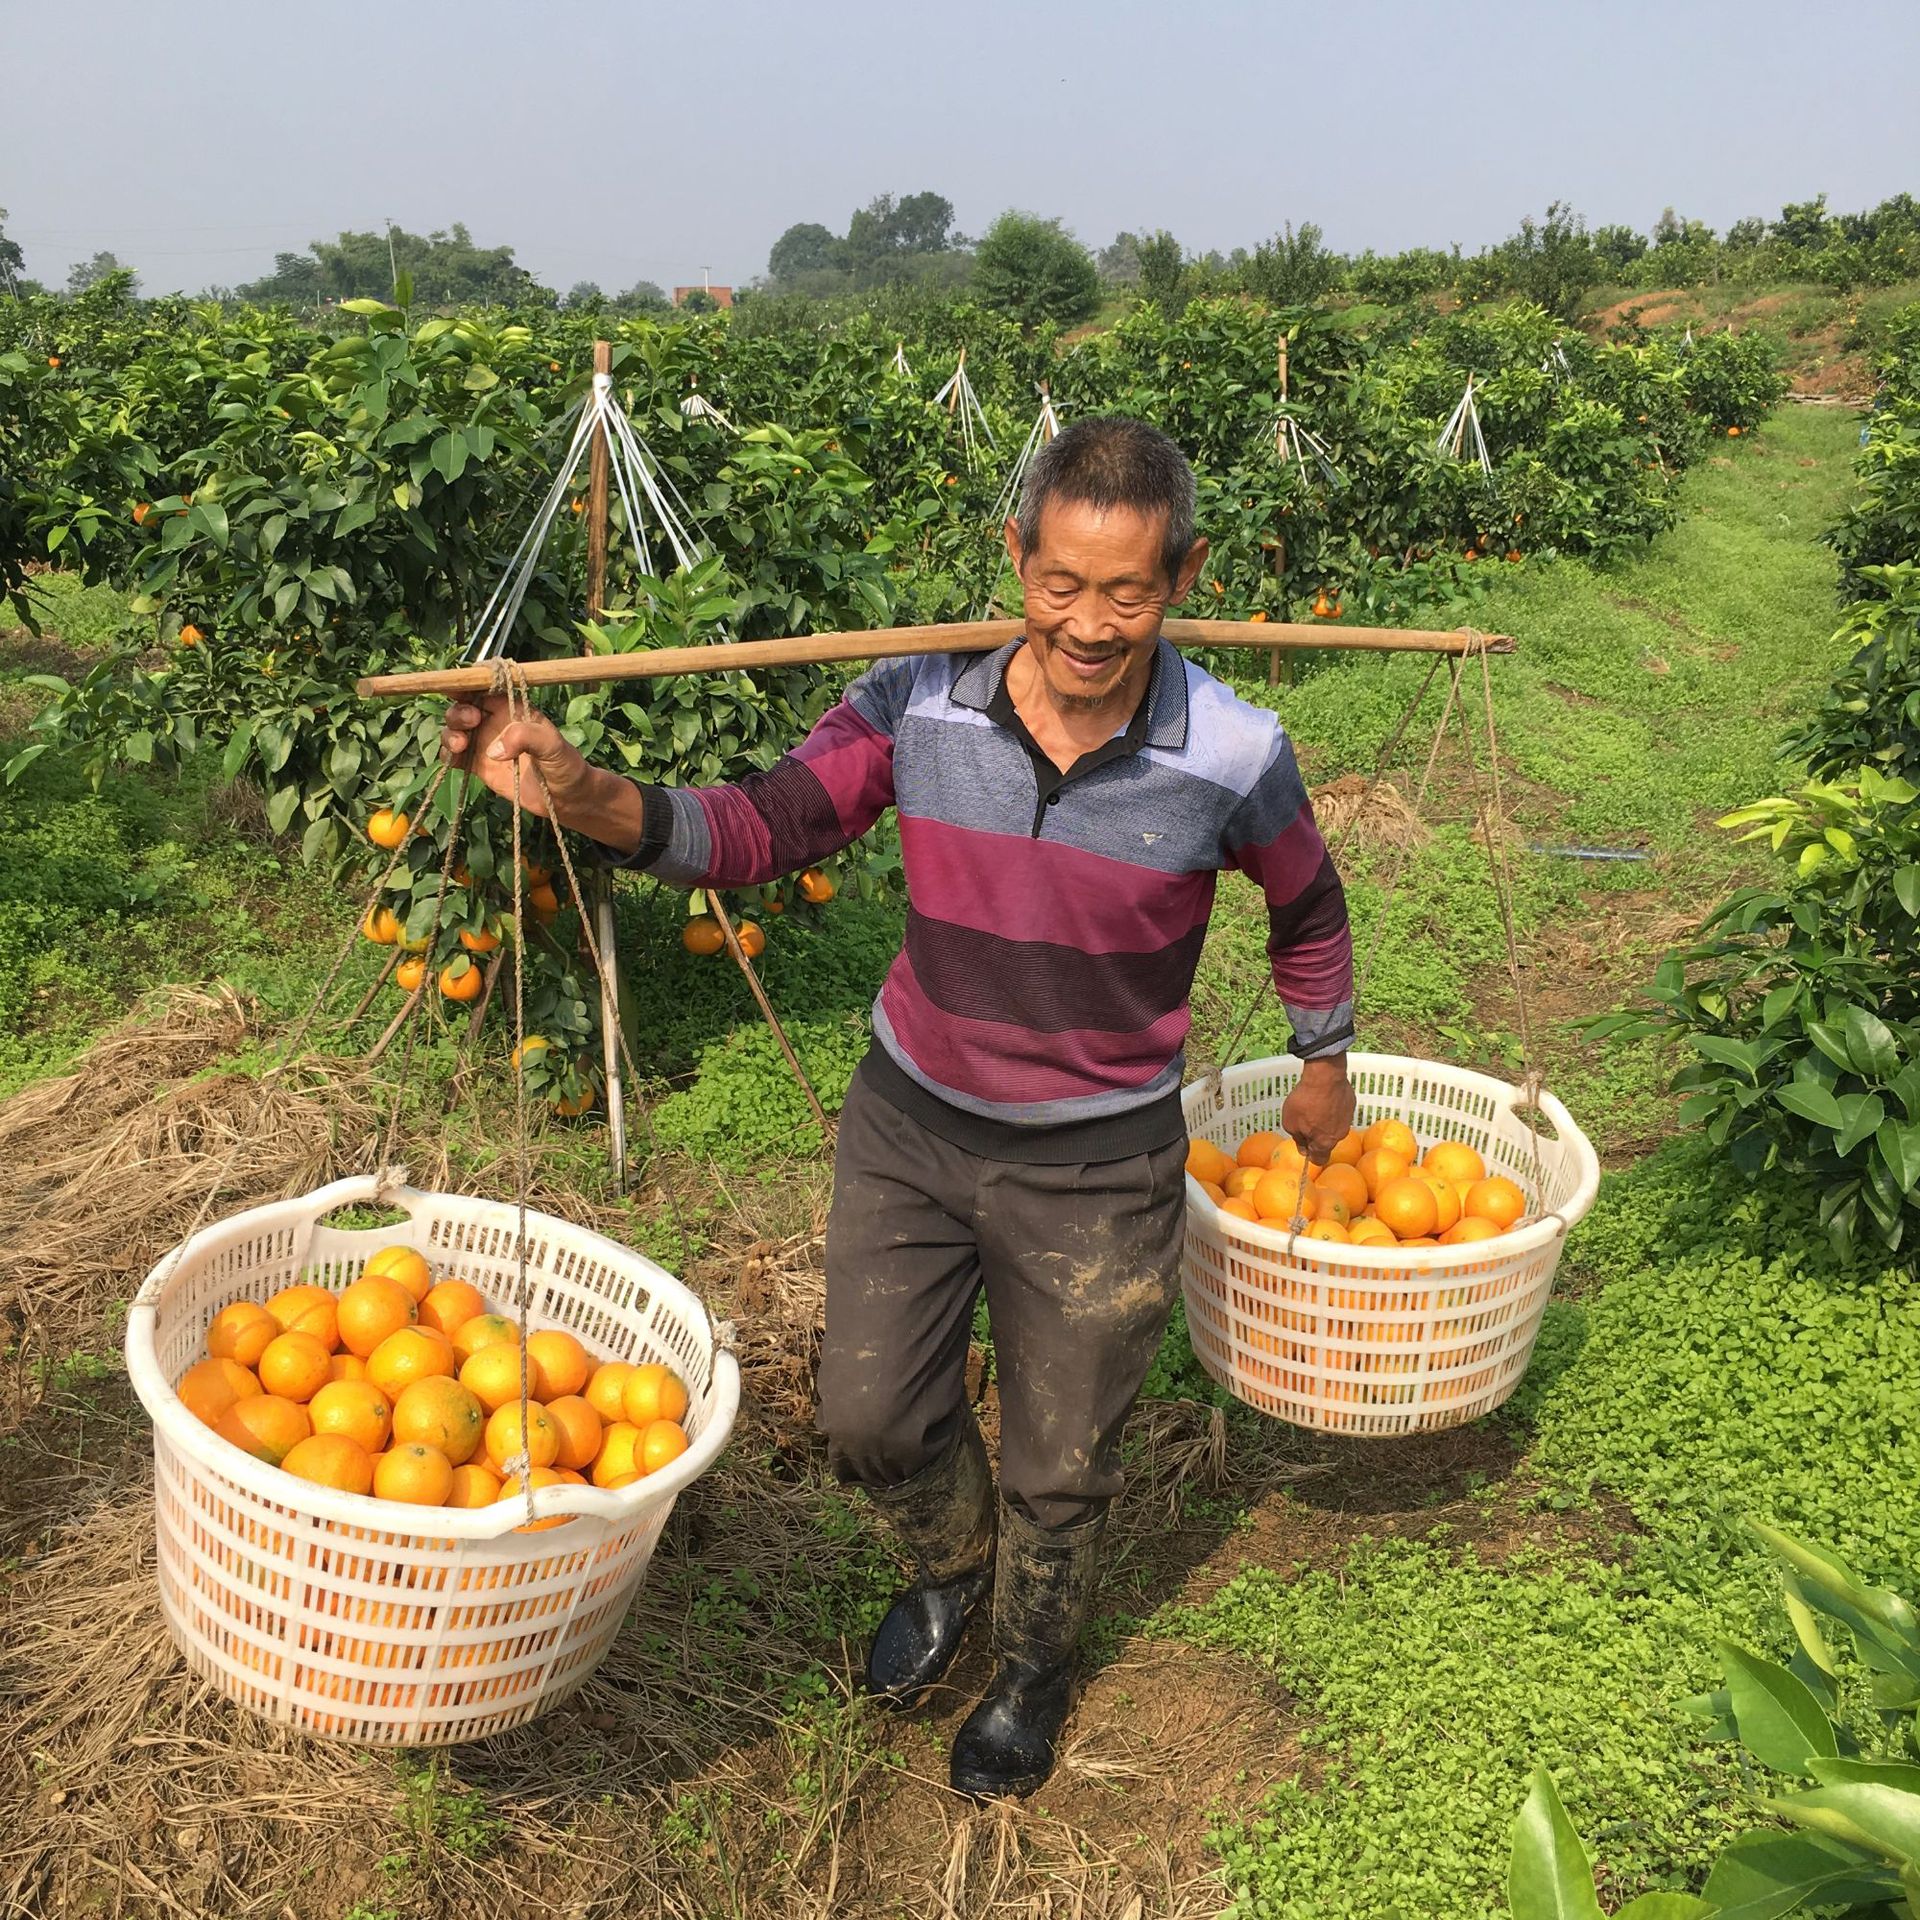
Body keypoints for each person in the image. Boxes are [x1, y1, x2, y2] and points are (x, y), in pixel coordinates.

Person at [441, 415, 1356, 1800]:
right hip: (913, 1122)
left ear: (1184, 575)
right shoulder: (917, 704)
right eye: (1059, 585)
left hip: (1097, 1162)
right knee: (869, 1417)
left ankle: (1032, 1663)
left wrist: (1324, 1054)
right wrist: (575, 790)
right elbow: (761, 828)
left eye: (1127, 591)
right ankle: (947, 1568)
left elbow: (1308, 900)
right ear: (1015, 559)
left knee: (1064, 1461)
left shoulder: (1232, 753)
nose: (1090, 625)